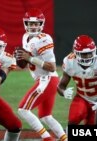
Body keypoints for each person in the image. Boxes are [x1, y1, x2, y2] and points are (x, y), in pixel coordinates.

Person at [15, 8, 67, 141]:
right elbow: (24, 63)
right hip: (44, 80)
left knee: (23, 109)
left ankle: (47, 139)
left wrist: (30, 58)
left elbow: (52, 67)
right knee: (46, 116)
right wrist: (20, 59)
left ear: (41, 24)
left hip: (47, 79)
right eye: (30, 24)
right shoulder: (25, 37)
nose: (33, 27)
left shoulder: (45, 39)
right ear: (25, 23)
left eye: (36, 24)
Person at [57, 35, 97, 125]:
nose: (87, 56)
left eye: (90, 53)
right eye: (83, 54)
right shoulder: (70, 62)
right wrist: (63, 92)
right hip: (81, 98)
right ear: (75, 52)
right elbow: (61, 86)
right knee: (73, 120)